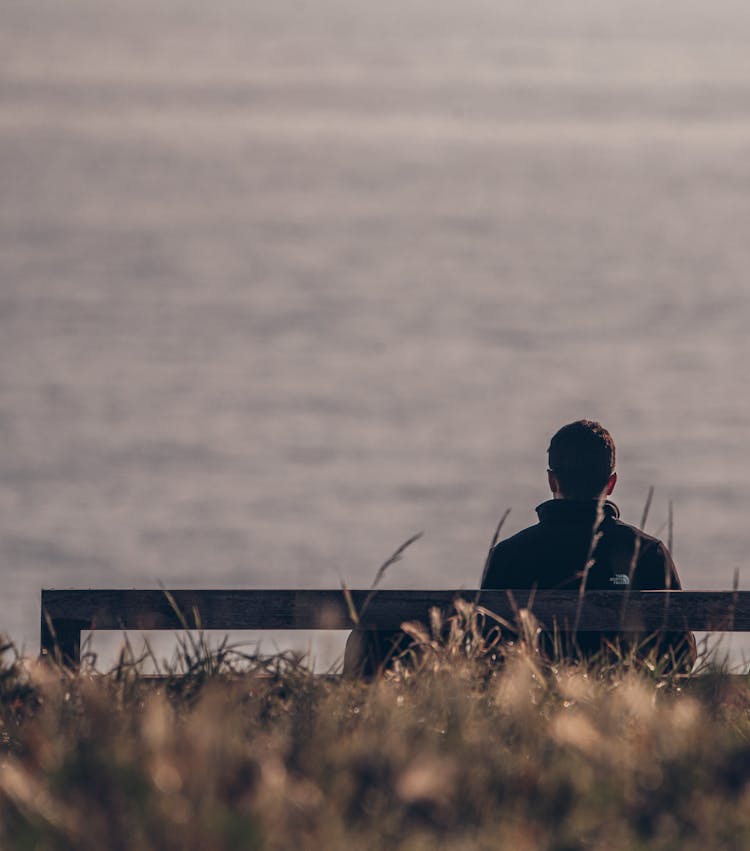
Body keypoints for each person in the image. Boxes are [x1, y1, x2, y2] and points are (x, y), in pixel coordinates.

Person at [482, 419, 696, 669]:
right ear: (611, 483)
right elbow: (681, 654)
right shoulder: (648, 553)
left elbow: (487, 649)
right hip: (627, 705)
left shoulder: (509, 555)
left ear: (552, 481)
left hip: (530, 701)